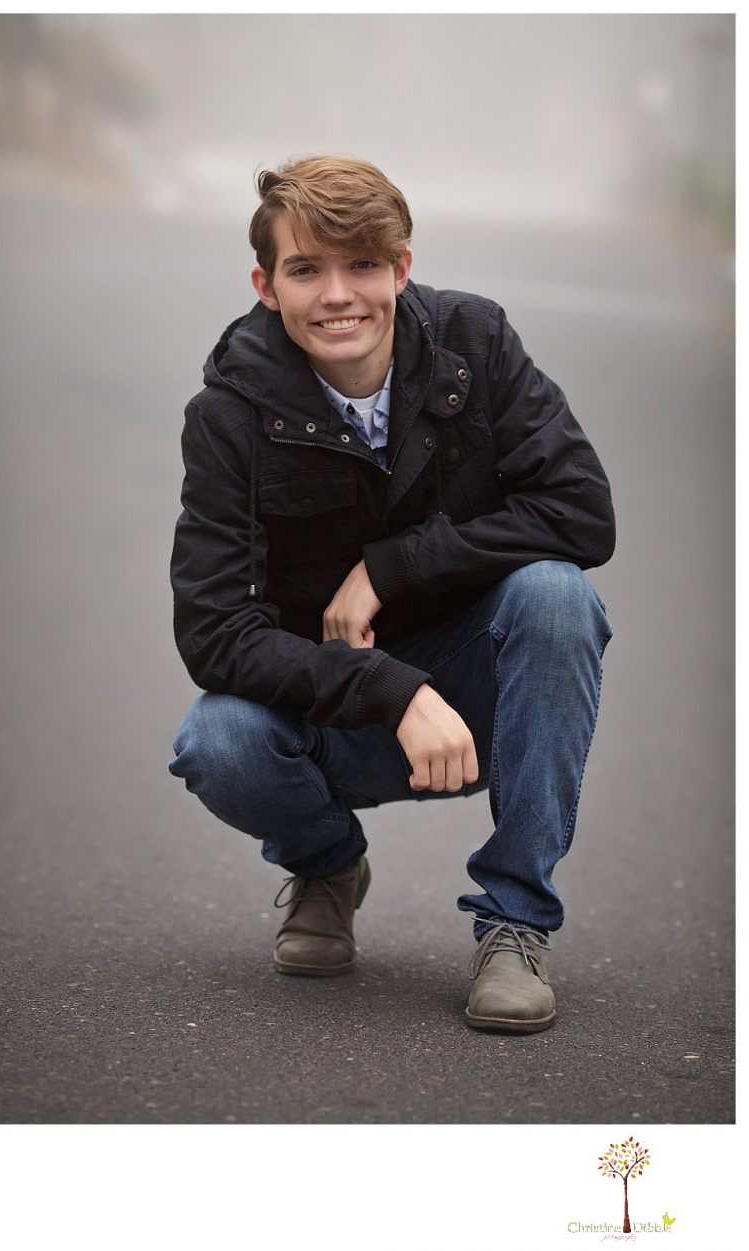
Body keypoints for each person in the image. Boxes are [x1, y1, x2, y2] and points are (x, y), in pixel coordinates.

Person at [169, 155, 615, 1034]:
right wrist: (394, 690)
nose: (339, 295)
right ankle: (328, 865)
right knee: (215, 736)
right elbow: (214, 633)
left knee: (556, 596)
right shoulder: (228, 414)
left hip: (483, 697)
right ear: (266, 285)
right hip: (341, 706)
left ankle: (515, 921)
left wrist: (392, 566)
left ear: (400, 269)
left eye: (363, 265)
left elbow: (582, 516)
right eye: (306, 270)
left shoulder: (473, 344)